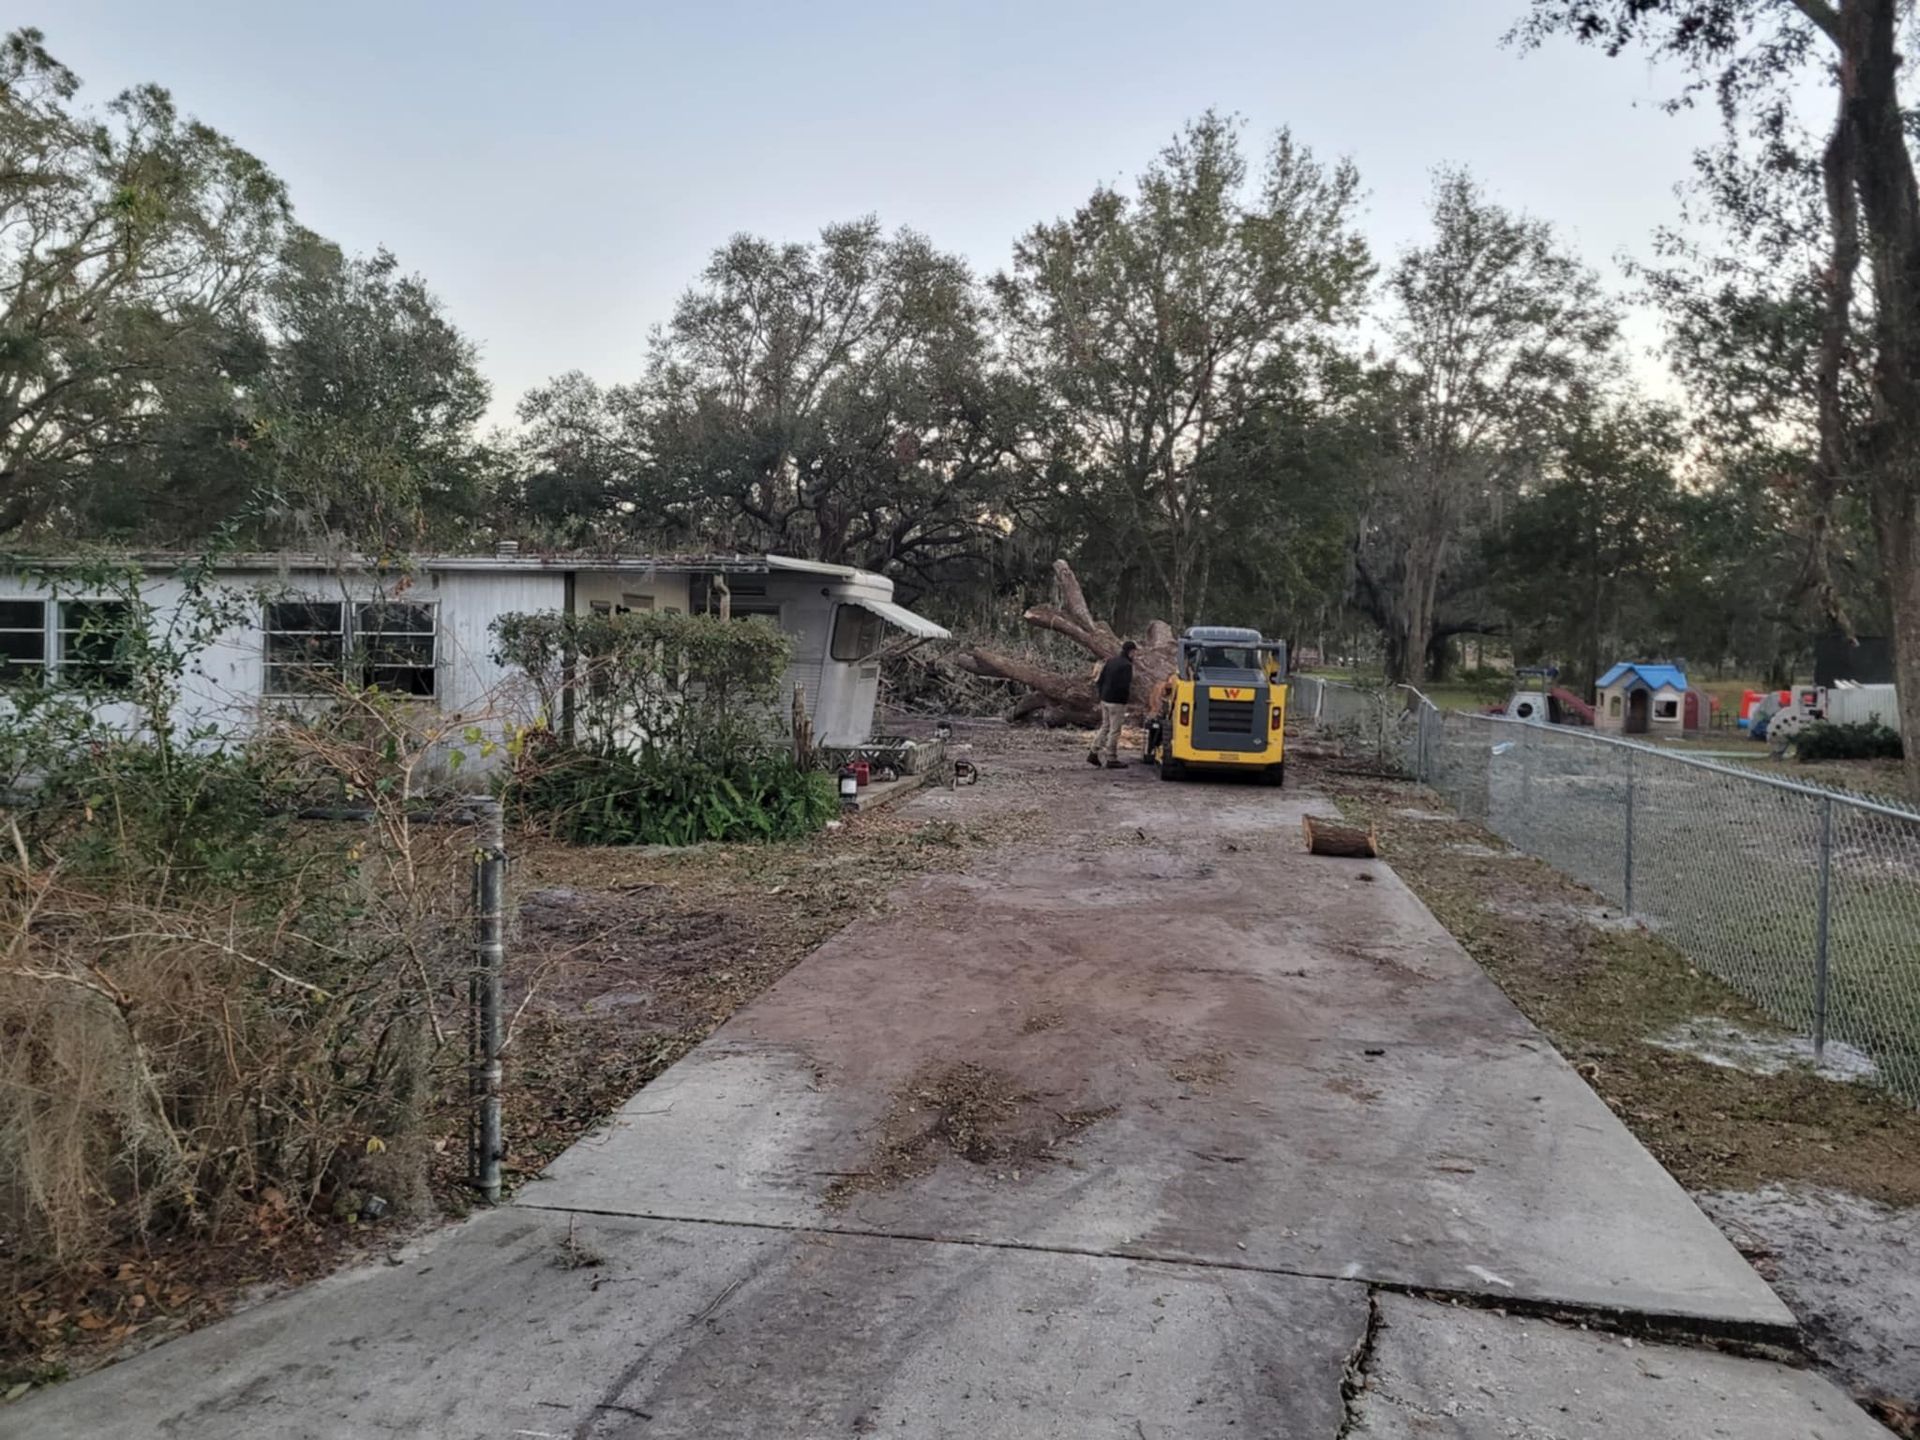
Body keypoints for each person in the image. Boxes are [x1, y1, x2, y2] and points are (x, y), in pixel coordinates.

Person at [1088, 641, 1137, 769]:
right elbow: (1125, 685)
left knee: (1105, 727)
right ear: (1130, 651)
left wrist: (1102, 695)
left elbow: (1100, 679)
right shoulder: (1127, 665)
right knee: (1114, 731)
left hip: (1105, 698)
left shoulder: (1111, 661)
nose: (1135, 654)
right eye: (1134, 652)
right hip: (1117, 701)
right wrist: (1125, 700)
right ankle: (1111, 758)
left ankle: (1093, 751)